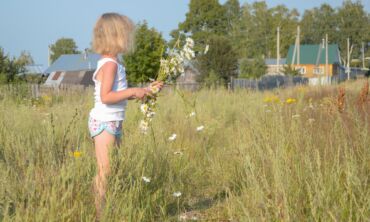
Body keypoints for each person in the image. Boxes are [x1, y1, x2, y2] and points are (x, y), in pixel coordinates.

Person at [88, 12, 163, 219]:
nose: (129, 39)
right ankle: (99, 215)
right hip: (104, 122)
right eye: (127, 34)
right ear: (116, 36)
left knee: (112, 168)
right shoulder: (110, 64)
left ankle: (107, 208)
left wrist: (146, 90)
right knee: (105, 170)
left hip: (112, 122)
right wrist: (133, 91)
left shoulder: (114, 62)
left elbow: (117, 96)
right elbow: (106, 97)